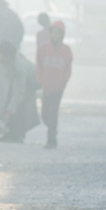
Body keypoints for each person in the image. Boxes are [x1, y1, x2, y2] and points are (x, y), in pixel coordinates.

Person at [0, 41, 40, 142]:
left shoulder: (19, 67)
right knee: (9, 101)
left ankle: (17, 135)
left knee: (20, 106)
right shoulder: (2, 59)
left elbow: (19, 93)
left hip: (32, 82)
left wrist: (9, 111)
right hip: (16, 82)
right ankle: (9, 132)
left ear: (7, 57)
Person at [35, 20, 73, 149]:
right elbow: (39, 66)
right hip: (46, 86)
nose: (55, 35)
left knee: (53, 112)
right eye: (53, 32)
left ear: (62, 35)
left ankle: (51, 139)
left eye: (58, 33)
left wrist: (63, 81)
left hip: (58, 87)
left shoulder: (66, 50)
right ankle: (51, 128)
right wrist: (40, 79)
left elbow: (68, 68)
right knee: (45, 113)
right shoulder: (43, 49)